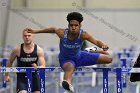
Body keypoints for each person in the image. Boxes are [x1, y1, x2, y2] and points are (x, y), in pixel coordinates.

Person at [26, 12, 112, 93]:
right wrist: (35, 31)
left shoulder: (83, 34)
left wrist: (103, 45)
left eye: (76, 25)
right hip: (66, 60)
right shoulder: (62, 33)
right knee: (70, 67)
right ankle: (68, 84)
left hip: (80, 57)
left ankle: (90, 51)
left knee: (109, 59)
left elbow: (96, 41)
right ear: (68, 25)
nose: (73, 27)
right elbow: (53, 29)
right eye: (71, 25)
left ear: (80, 26)